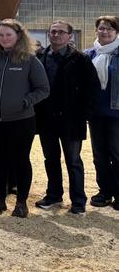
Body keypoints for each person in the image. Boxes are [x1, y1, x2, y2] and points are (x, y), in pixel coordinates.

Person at [0, 19, 50, 218]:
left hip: (21, 121)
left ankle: (21, 202)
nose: (4, 38)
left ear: (18, 36)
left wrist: (25, 102)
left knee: (20, 161)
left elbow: (43, 89)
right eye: (1, 35)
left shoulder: (30, 60)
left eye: (9, 34)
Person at [34, 20, 99, 215]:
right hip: (47, 119)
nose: (56, 35)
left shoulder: (80, 59)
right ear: (48, 34)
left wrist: (84, 114)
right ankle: (54, 195)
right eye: (53, 32)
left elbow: (92, 88)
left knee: (73, 161)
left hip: (71, 120)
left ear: (69, 36)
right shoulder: (40, 57)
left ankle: (78, 201)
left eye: (61, 32)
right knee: (50, 158)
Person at [86, 15, 119, 209]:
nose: (104, 31)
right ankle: (104, 191)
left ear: (116, 32)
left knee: (117, 154)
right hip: (96, 113)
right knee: (99, 155)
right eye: (101, 28)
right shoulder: (89, 55)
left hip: (116, 114)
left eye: (109, 28)